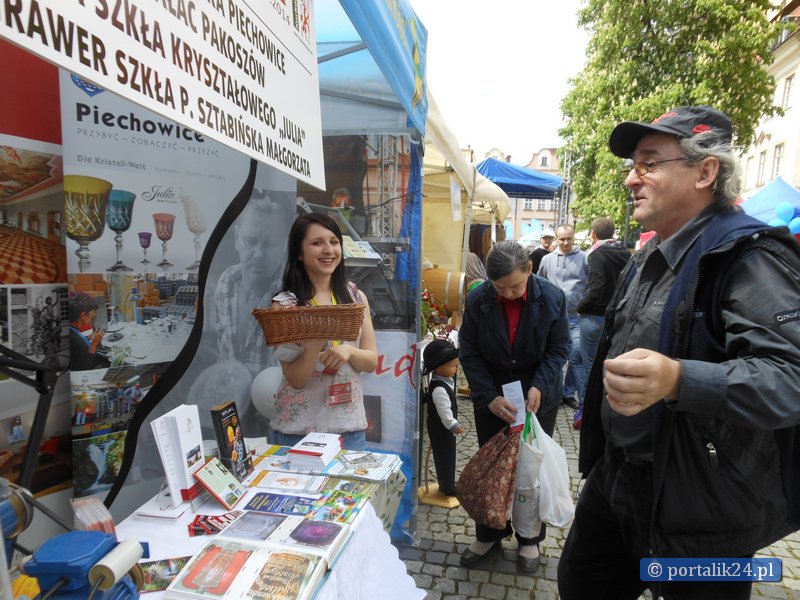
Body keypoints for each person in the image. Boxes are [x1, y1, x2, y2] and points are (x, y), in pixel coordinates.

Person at [557, 105, 800, 600]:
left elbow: (790, 379)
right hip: (619, 479)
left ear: (705, 172)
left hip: (703, 511)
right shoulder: (649, 252)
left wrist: (678, 380)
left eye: (649, 163)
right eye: (632, 165)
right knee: (582, 584)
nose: (631, 178)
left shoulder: (749, 256)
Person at [459, 240, 570, 573]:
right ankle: (490, 533)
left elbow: (559, 348)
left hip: (537, 398)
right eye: (500, 288)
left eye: (515, 286)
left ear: (530, 270)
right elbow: (469, 352)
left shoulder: (552, 298)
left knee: (530, 474)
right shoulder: (478, 300)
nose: (507, 295)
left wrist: (540, 384)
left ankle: (529, 540)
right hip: (495, 400)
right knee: (494, 471)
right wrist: (488, 395)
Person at [269, 213, 378, 450]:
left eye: (334, 241)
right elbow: (296, 379)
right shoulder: (285, 306)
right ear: (299, 253)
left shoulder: (356, 298)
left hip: (348, 429)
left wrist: (348, 351)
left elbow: (371, 361)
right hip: (296, 432)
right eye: (317, 243)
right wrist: (314, 344)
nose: (328, 250)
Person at [214, 188, 295, 377]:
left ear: (284, 245)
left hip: (272, 404)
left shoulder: (292, 295)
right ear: (236, 238)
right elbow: (222, 355)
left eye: (269, 244)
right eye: (250, 241)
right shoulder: (226, 282)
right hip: (232, 400)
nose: (258, 254)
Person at [572, 217, 630, 429]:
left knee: (590, 365)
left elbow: (596, 287)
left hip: (594, 316)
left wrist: (579, 306)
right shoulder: (624, 253)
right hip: (613, 315)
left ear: (594, 234)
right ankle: (587, 404)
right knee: (577, 356)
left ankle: (588, 411)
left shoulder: (597, 254)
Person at [537, 224, 588, 410]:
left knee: (575, 355)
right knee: (553, 355)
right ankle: (554, 392)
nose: (566, 242)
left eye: (569, 238)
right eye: (562, 239)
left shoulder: (584, 258)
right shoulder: (547, 260)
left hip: (575, 317)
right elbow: (538, 283)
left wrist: (585, 304)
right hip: (552, 318)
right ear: (556, 239)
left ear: (574, 238)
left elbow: (592, 284)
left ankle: (568, 392)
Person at [421, 338, 464, 497]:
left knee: (448, 455)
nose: (456, 368)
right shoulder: (439, 389)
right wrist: (453, 425)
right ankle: (447, 487)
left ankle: (447, 483)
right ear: (438, 368)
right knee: (444, 457)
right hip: (441, 429)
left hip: (444, 429)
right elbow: (445, 413)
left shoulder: (445, 381)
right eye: (453, 366)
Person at [68, 291, 111, 371]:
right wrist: (94, 344)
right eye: (92, 314)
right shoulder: (75, 340)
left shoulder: (72, 330)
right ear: (83, 315)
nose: (94, 316)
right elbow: (87, 367)